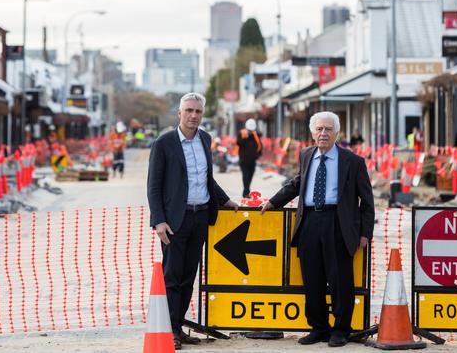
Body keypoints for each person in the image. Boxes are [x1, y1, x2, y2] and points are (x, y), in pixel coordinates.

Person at [260, 111, 375, 348]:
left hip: (338, 224)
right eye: (319, 129)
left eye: (328, 129)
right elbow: (297, 184)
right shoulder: (306, 155)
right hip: (310, 222)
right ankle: (319, 328)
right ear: (312, 133)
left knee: (340, 280)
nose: (323, 133)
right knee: (312, 279)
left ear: (337, 133)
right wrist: (272, 202)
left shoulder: (353, 162)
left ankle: (341, 330)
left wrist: (365, 233)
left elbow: (367, 201)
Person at [147, 92, 239, 350]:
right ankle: (171, 332)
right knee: (172, 276)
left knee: (189, 276)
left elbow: (207, 178)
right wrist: (158, 221)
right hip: (176, 220)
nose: (193, 115)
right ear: (179, 113)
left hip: (200, 217)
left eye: (198, 111)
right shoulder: (164, 143)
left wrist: (224, 200)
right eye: (188, 110)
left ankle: (179, 326)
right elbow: (153, 186)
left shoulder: (205, 139)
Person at [236, 118, 262, 198]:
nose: (251, 131)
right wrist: (245, 137)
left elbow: (260, 145)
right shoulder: (242, 133)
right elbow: (239, 143)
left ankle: (246, 191)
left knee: (250, 176)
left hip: (252, 161)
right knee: (246, 176)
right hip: (243, 160)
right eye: (249, 130)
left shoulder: (255, 135)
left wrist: (258, 155)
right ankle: (246, 192)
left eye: (252, 130)